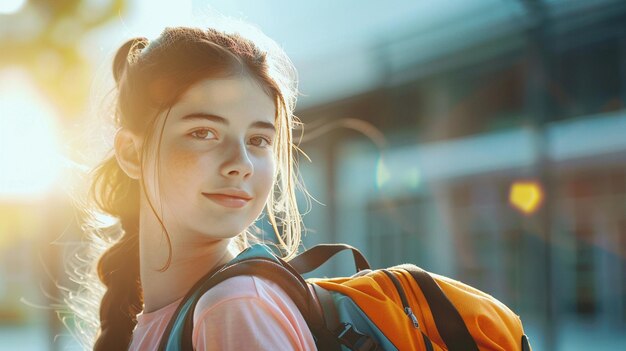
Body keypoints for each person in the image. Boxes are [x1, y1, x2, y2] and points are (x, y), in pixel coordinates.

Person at [77, 24, 316, 350]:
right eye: (204, 133)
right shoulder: (181, 318)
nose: (241, 163)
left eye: (258, 140)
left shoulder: (233, 308)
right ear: (133, 154)